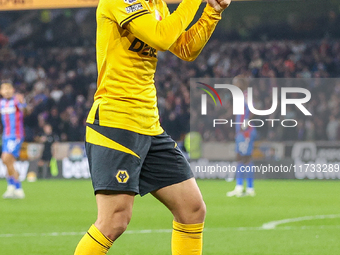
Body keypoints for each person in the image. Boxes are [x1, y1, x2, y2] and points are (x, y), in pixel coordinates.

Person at [74, 0, 232, 254]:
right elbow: (161, 37)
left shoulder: (156, 5)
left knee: (192, 209)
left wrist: (212, 12)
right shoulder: (119, 1)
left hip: (149, 125)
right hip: (116, 122)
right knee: (114, 221)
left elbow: (185, 48)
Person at [227, 76, 257, 197]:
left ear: (241, 84)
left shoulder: (246, 95)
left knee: (246, 158)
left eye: (235, 84)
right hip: (240, 133)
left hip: (246, 132)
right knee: (239, 157)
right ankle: (240, 187)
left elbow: (253, 110)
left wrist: (245, 124)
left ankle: (250, 188)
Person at [1, 81, 26, 199]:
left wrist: (24, 104)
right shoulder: (1, 103)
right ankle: (12, 188)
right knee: (8, 162)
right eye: (3, 89)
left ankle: (18, 188)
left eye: (8, 89)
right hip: (6, 136)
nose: (6, 91)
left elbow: (26, 112)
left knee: (5, 158)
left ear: (12, 90)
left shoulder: (17, 101)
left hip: (16, 135)